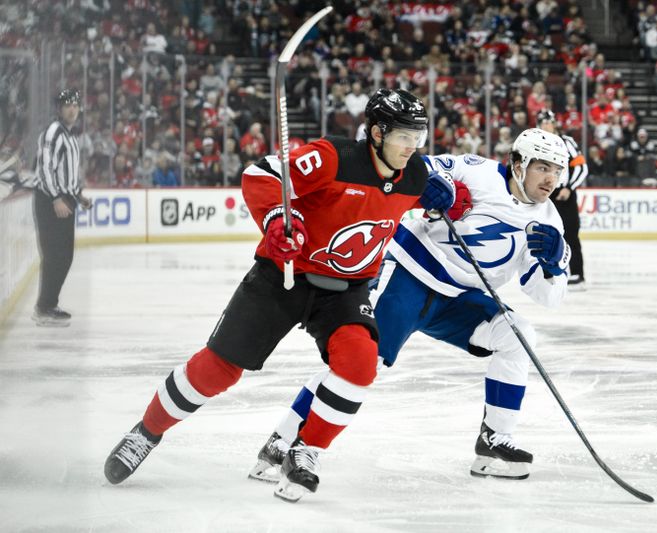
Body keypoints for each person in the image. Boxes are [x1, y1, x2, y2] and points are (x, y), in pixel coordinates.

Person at [102, 88, 455, 502]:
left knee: (359, 363)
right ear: (376, 133)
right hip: (285, 275)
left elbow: (441, 191)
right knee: (218, 369)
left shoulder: (414, 173)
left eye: (418, 137)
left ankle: (306, 451)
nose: (412, 147)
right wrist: (275, 220)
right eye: (403, 137)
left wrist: (448, 198)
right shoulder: (332, 157)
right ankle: (146, 432)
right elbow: (260, 176)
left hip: (345, 290)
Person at [249, 128, 571, 485]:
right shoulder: (476, 169)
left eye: (557, 170)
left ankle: (493, 440)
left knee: (518, 335)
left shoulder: (549, 221)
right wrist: (431, 184)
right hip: (410, 278)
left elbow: (549, 297)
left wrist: (553, 265)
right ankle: (282, 441)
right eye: (542, 167)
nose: (551, 178)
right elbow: (406, 170)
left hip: (460, 301)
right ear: (517, 163)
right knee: (361, 361)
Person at [32, 89, 92, 327]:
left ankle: (49, 304)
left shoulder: (70, 136)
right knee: (55, 255)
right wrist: (57, 198)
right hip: (50, 200)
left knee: (64, 256)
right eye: (67, 105)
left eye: (75, 105)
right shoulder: (54, 132)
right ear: (59, 109)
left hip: (65, 198)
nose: (72, 109)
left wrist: (78, 195)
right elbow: (46, 168)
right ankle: (44, 307)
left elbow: (67, 173)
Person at [536, 110, 588, 290]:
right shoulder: (535, 144)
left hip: (563, 194)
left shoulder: (567, 142)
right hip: (543, 194)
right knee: (543, 235)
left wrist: (569, 187)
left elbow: (581, 167)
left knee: (571, 234)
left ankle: (577, 274)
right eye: (542, 122)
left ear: (554, 123)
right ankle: (548, 273)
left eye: (548, 122)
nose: (545, 125)